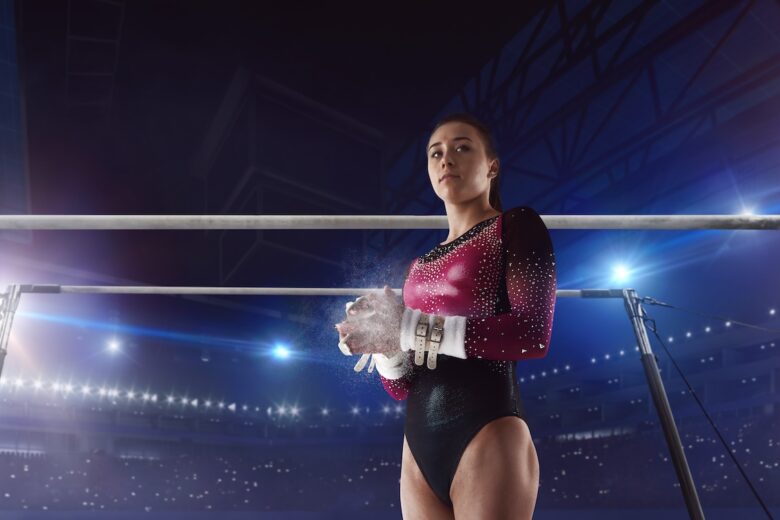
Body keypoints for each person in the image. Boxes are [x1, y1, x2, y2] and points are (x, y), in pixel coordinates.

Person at [335, 112, 557, 519]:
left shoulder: (516, 225)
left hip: (487, 428)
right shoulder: (418, 267)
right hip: (417, 448)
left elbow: (531, 334)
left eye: (461, 147)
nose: (446, 159)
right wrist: (384, 348)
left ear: (492, 165)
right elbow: (403, 386)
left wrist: (407, 326)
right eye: (435, 153)